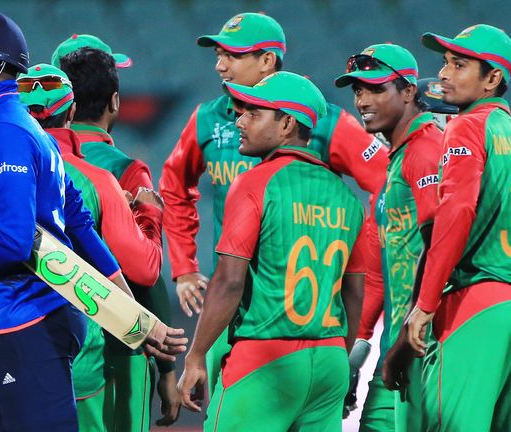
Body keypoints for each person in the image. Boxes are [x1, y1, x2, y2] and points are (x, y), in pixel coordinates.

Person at [0, 9, 185, 431]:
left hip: (24, 325)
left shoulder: (2, 130)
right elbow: (78, 225)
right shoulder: (14, 125)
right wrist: (130, 313)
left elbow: (12, 240)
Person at [159, 12, 388, 402]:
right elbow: (174, 186)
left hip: (304, 317)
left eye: (232, 55)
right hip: (230, 306)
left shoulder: (317, 120)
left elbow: (388, 183)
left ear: (267, 60)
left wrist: (363, 250)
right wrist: (182, 268)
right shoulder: (207, 119)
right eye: (218, 54)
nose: (219, 65)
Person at [177, 71, 365, 432]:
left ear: (287, 124)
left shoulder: (253, 183)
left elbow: (230, 281)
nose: (240, 120)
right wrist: (342, 357)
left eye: (255, 113)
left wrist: (197, 355)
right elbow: (355, 291)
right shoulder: (347, 197)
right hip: (329, 361)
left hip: (266, 358)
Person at [19, 62, 175, 429]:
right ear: (71, 111)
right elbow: (144, 269)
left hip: (6, 347)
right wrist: (150, 214)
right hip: (87, 356)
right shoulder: (102, 177)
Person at [401, 24, 511, 431]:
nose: (443, 74)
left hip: (476, 305)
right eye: (444, 63)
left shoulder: (467, 126)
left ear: (493, 78)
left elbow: (456, 212)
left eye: (459, 65)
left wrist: (424, 305)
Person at [58, 46, 180, 430]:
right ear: (114, 102)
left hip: (48, 341)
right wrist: (167, 368)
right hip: (120, 345)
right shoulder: (125, 171)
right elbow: (146, 275)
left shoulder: (29, 162)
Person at [335, 44, 444, 432]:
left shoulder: (426, 151)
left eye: (376, 89)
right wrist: (354, 354)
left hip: (431, 349)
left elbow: (441, 245)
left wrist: (416, 324)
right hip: (397, 350)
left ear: (409, 92)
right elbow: (380, 273)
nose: (362, 99)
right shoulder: (394, 166)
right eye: (358, 90)